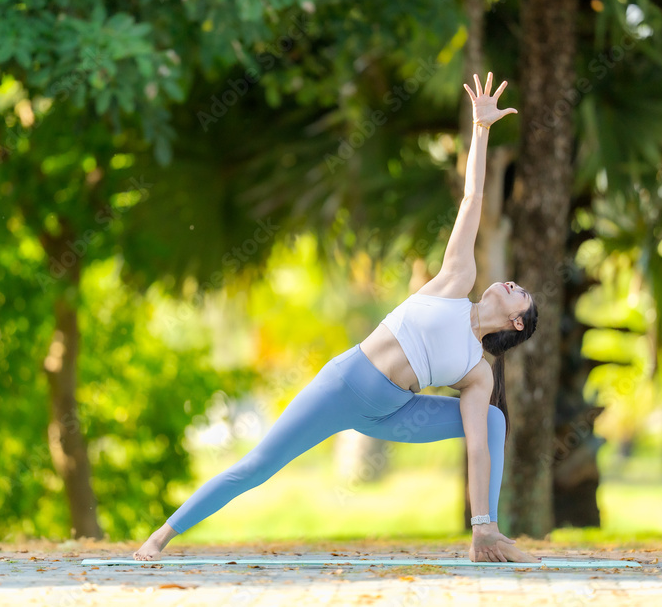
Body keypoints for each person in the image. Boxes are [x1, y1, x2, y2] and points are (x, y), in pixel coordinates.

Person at [134, 72, 539, 564]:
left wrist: (480, 523)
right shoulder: (457, 280)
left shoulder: (478, 372)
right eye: (515, 283)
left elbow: (478, 448)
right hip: (345, 384)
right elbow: (472, 200)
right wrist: (480, 129)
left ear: (516, 323)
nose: (513, 284)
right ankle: (158, 538)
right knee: (258, 465)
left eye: (523, 296)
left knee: (493, 421)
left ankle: (487, 536)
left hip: (393, 413)